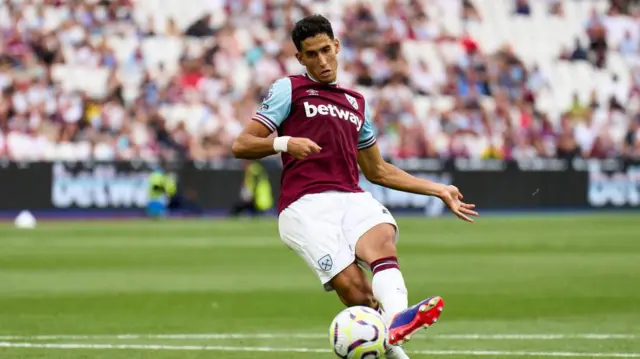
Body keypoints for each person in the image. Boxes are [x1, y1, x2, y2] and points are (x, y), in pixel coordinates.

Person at [231, 14, 478, 359]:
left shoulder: (355, 102)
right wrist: (284, 143)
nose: (322, 60)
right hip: (305, 206)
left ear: (338, 47)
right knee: (359, 295)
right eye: (312, 54)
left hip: (351, 197)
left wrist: (437, 188)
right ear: (300, 58)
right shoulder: (290, 88)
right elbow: (241, 145)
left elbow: (377, 170)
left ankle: (396, 321)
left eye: (326, 50)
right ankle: (395, 325)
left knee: (382, 238)